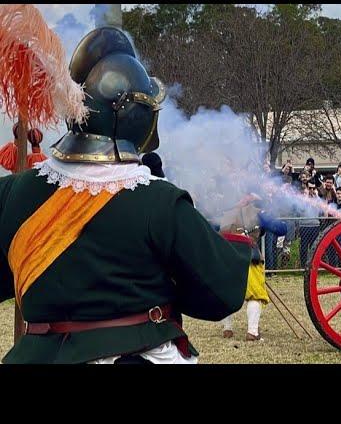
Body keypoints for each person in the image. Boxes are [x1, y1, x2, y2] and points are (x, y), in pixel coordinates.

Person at [0, 27, 252, 364]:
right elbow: (220, 294)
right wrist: (234, 240)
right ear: (132, 114)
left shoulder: (12, 192)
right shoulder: (159, 201)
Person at [221, 196, 288, 341]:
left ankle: (227, 329)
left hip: (226, 258)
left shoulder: (225, 213)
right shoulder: (258, 213)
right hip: (249, 258)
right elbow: (282, 229)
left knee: (227, 294)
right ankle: (252, 332)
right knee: (255, 295)